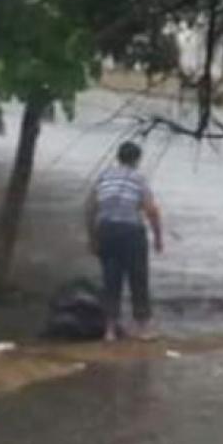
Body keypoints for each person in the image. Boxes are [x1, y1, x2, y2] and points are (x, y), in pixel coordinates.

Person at [85, 141, 164, 341]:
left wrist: (92, 237)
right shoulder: (138, 179)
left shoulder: (104, 176)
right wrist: (158, 238)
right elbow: (151, 210)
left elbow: (90, 208)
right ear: (137, 160)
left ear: (118, 157)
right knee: (138, 278)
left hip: (106, 231)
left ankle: (110, 330)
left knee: (111, 279)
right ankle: (143, 328)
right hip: (131, 232)